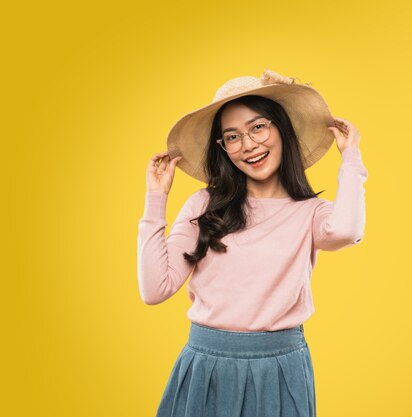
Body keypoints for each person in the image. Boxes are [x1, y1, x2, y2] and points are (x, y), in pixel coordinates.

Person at [137, 69, 368, 417]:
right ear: (223, 149)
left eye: (258, 127)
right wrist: (156, 198)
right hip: (205, 367)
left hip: (279, 370)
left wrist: (351, 158)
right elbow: (155, 289)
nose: (248, 145)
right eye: (232, 136)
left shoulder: (311, 213)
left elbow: (347, 230)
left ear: (282, 129)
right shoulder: (204, 204)